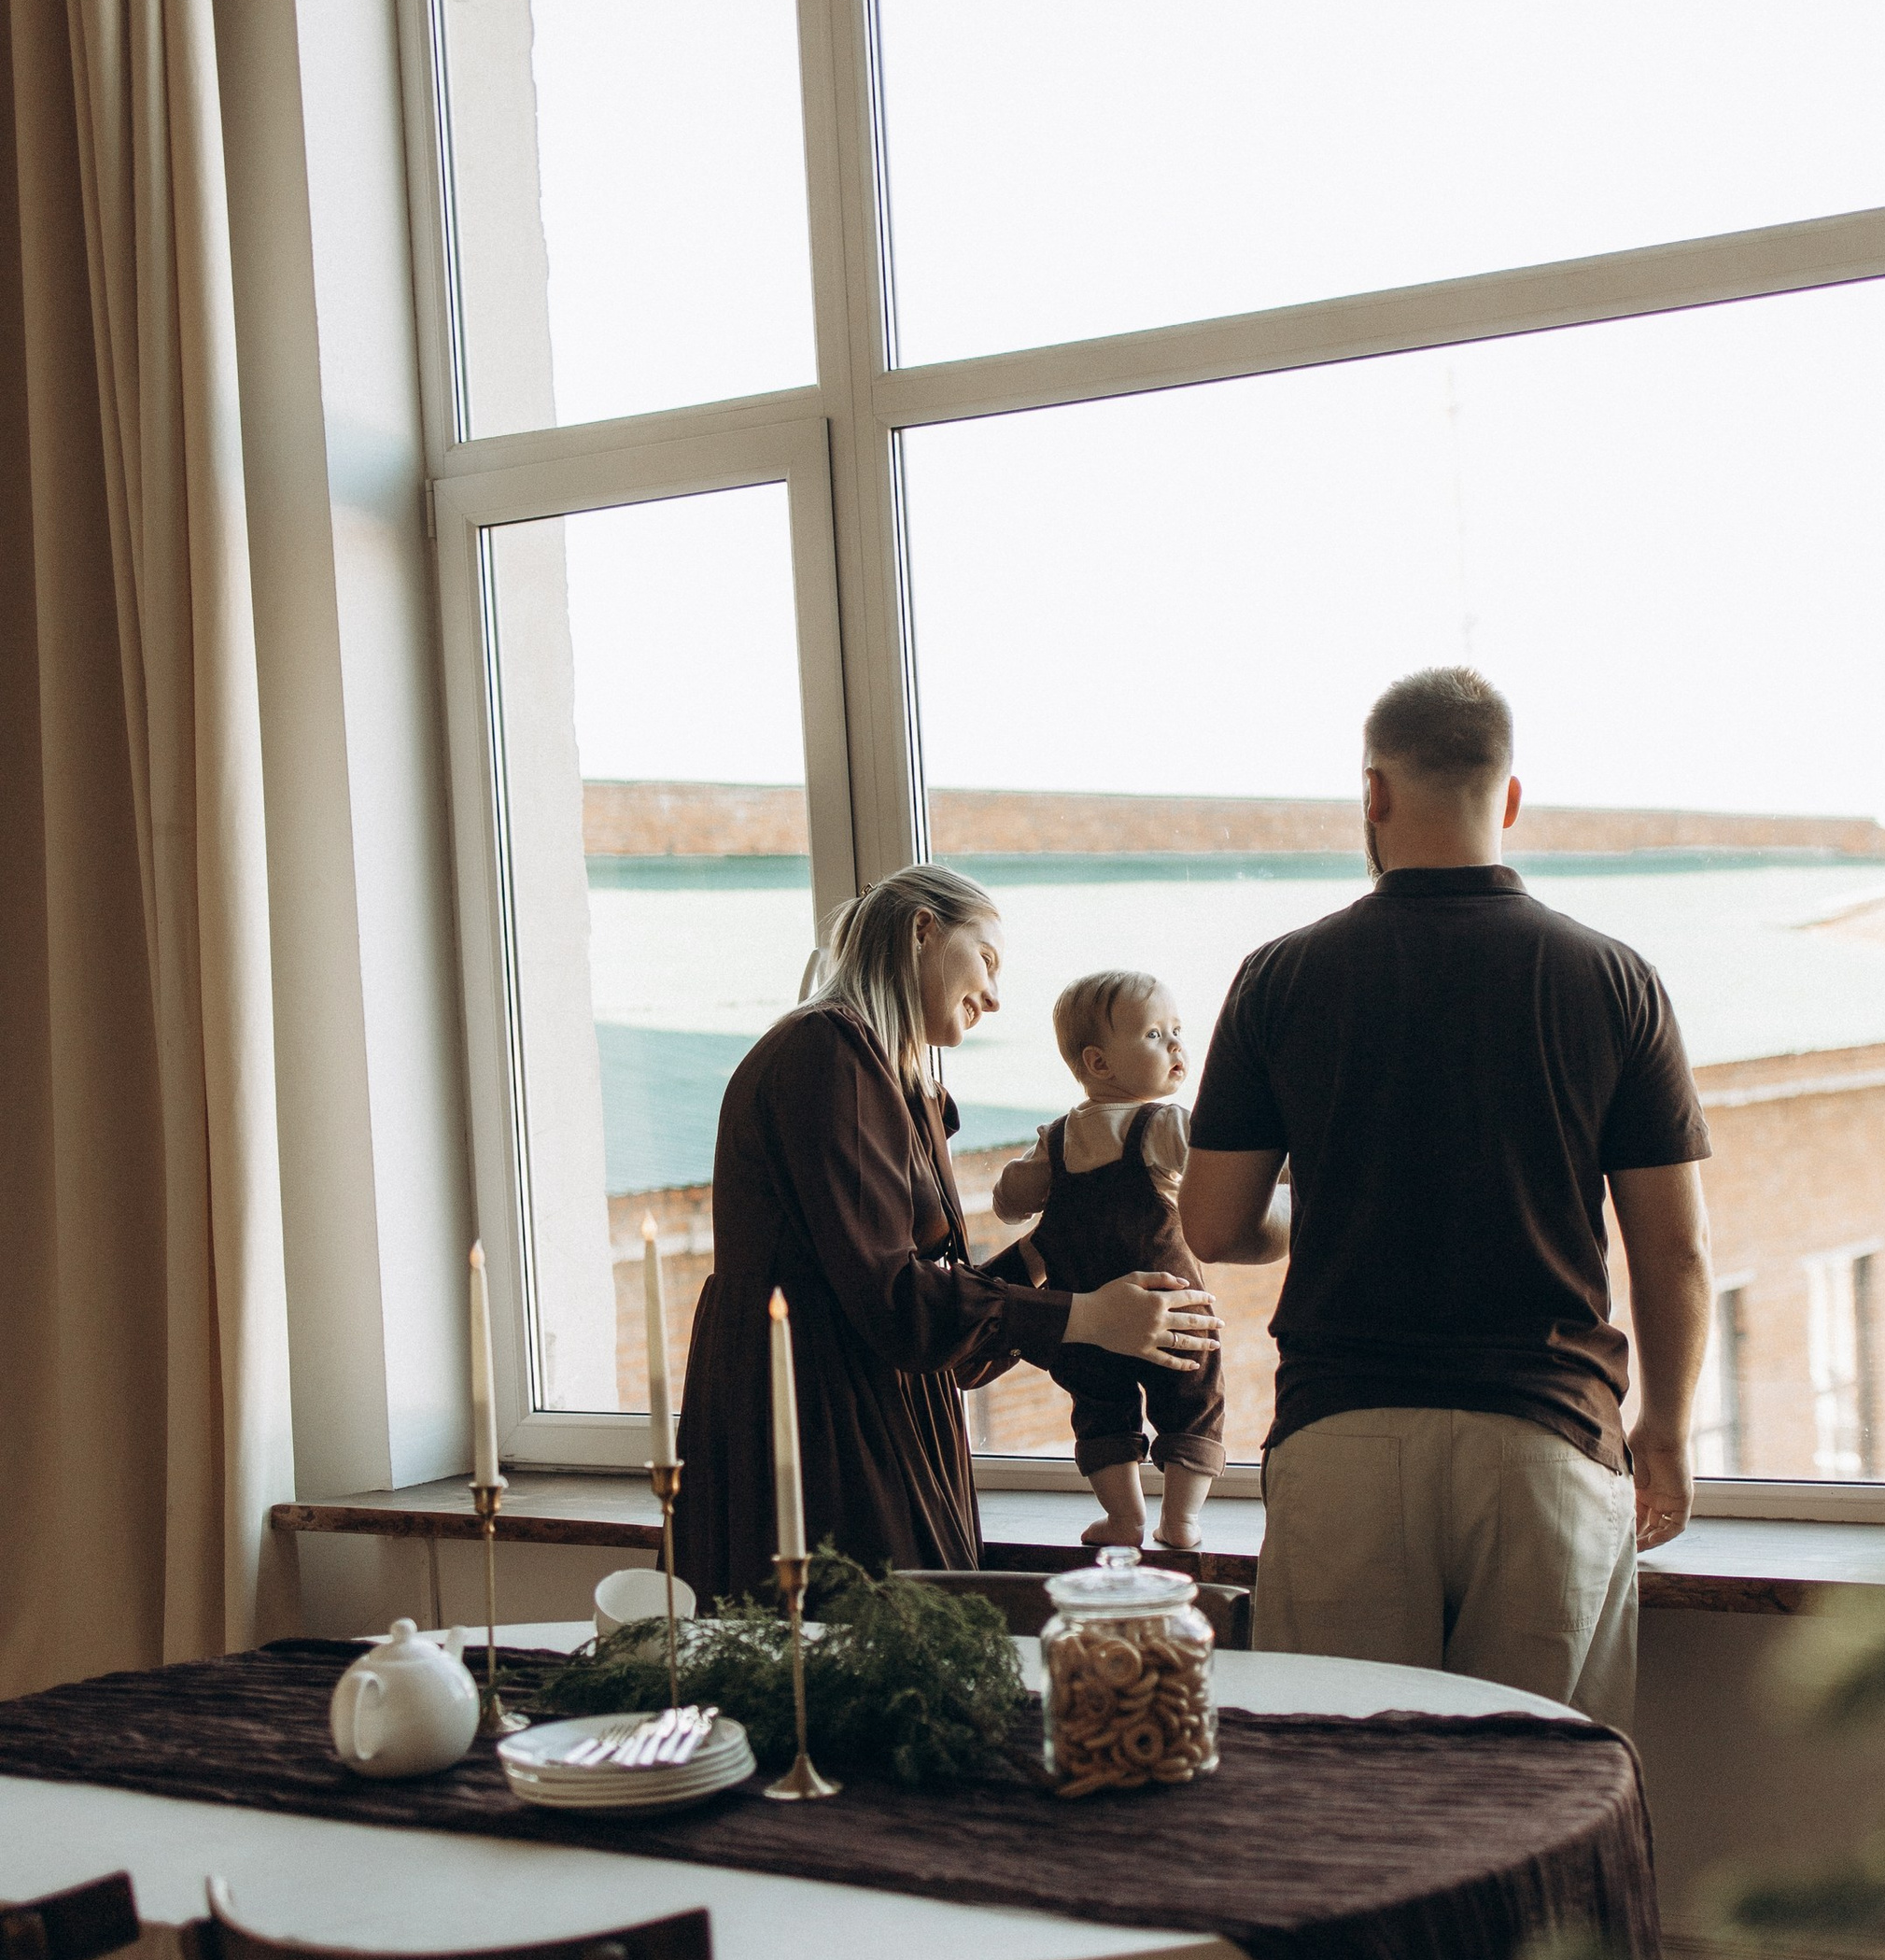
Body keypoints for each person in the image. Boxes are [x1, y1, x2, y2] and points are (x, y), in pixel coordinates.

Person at [1180, 670, 1712, 1722]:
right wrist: (1668, 1433)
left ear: (1372, 793)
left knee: (1347, 1811)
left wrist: (1315, 1208)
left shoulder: (1278, 977)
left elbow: (1213, 1225)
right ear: (1509, 798)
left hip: (1343, 1443)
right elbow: (1673, 1253)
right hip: (1544, 1442)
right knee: (1534, 1809)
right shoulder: (1613, 979)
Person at [676, 866, 1219, 1600]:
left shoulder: (895, 1077)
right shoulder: (825, 1054)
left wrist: (1050, 1252)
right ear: (923, 930)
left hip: (876, 1418)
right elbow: (898, 1305)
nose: (994, 998)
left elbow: (942, 1328)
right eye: (987, 960)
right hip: (820, 1437)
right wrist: (1089, 1317)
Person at [992, 971, 1226, 1553]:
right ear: (1098, 1063)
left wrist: (1021, 1182)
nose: (1176, 1045)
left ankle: (1124, 1519)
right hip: (1169, 1308)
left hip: (1085, 1317)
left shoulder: (1057, 1138)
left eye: (1177, 1031)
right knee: (1193, 1402)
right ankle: (1180, 1521)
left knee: (1100, 1413)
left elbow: (1008, 1203)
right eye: (1154, 1035)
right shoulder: (1164, 1125)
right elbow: (1228, 1167)